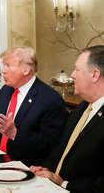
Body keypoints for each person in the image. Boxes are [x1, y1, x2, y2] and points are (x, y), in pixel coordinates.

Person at [30, 45, 104, 192]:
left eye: (77, 70)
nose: (73, 75)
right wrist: (45, 170)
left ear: (95, 75)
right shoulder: (82, 107)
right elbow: (61, 149)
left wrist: (64, 184)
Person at [0, 47, 67, 166]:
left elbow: (50, 144)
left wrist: (15, 134)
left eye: (8, 66)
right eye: (3, 65)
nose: (3, 71)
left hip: (26, 168)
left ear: (26, 70)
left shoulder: (50, 99)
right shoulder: (6, 90)